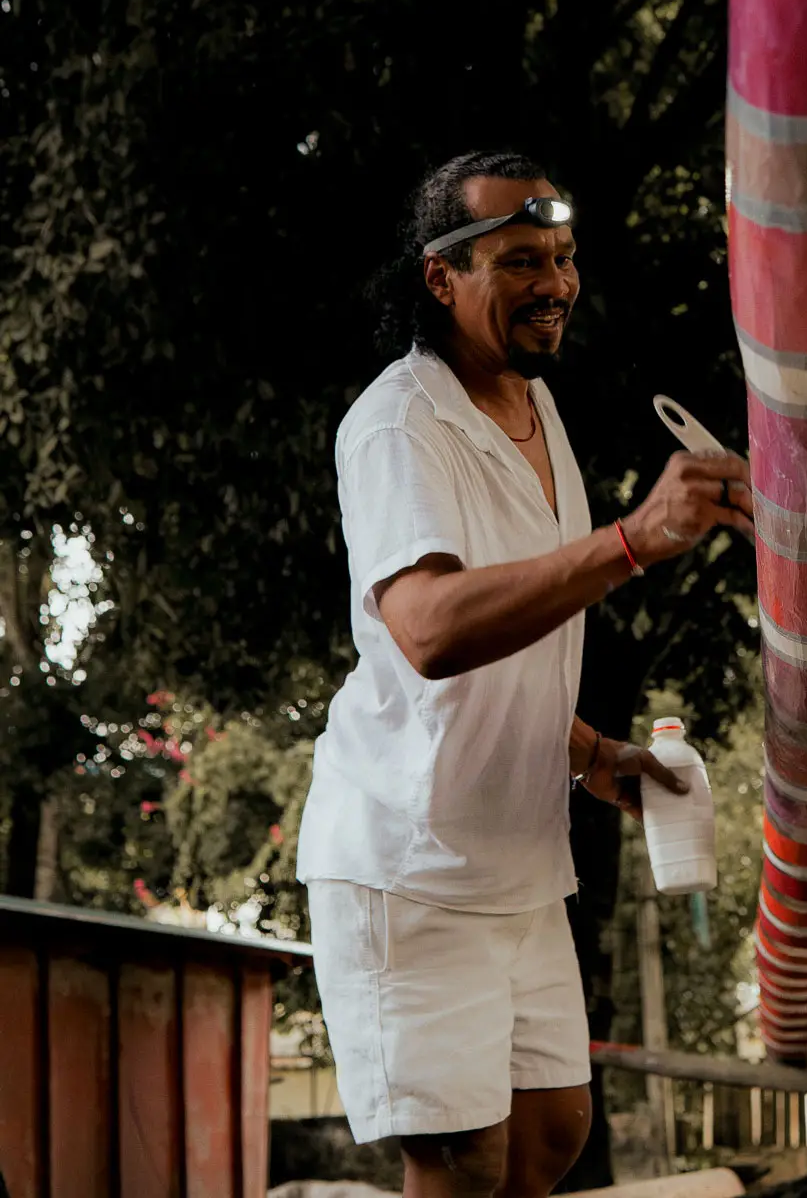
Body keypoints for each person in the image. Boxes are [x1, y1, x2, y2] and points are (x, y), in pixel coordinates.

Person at [297, 150, 753, 1198]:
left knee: (550, 1133)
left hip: (515, 859)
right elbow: (427, 631)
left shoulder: (533, 406)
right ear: (439, 278)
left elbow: (494, 671)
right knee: (460, 1165)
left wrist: (596, 757)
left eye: (562, 256)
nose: (553, 282)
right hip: (410, 867)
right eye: (518, 260)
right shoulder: (400, 423)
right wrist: (633, 539)